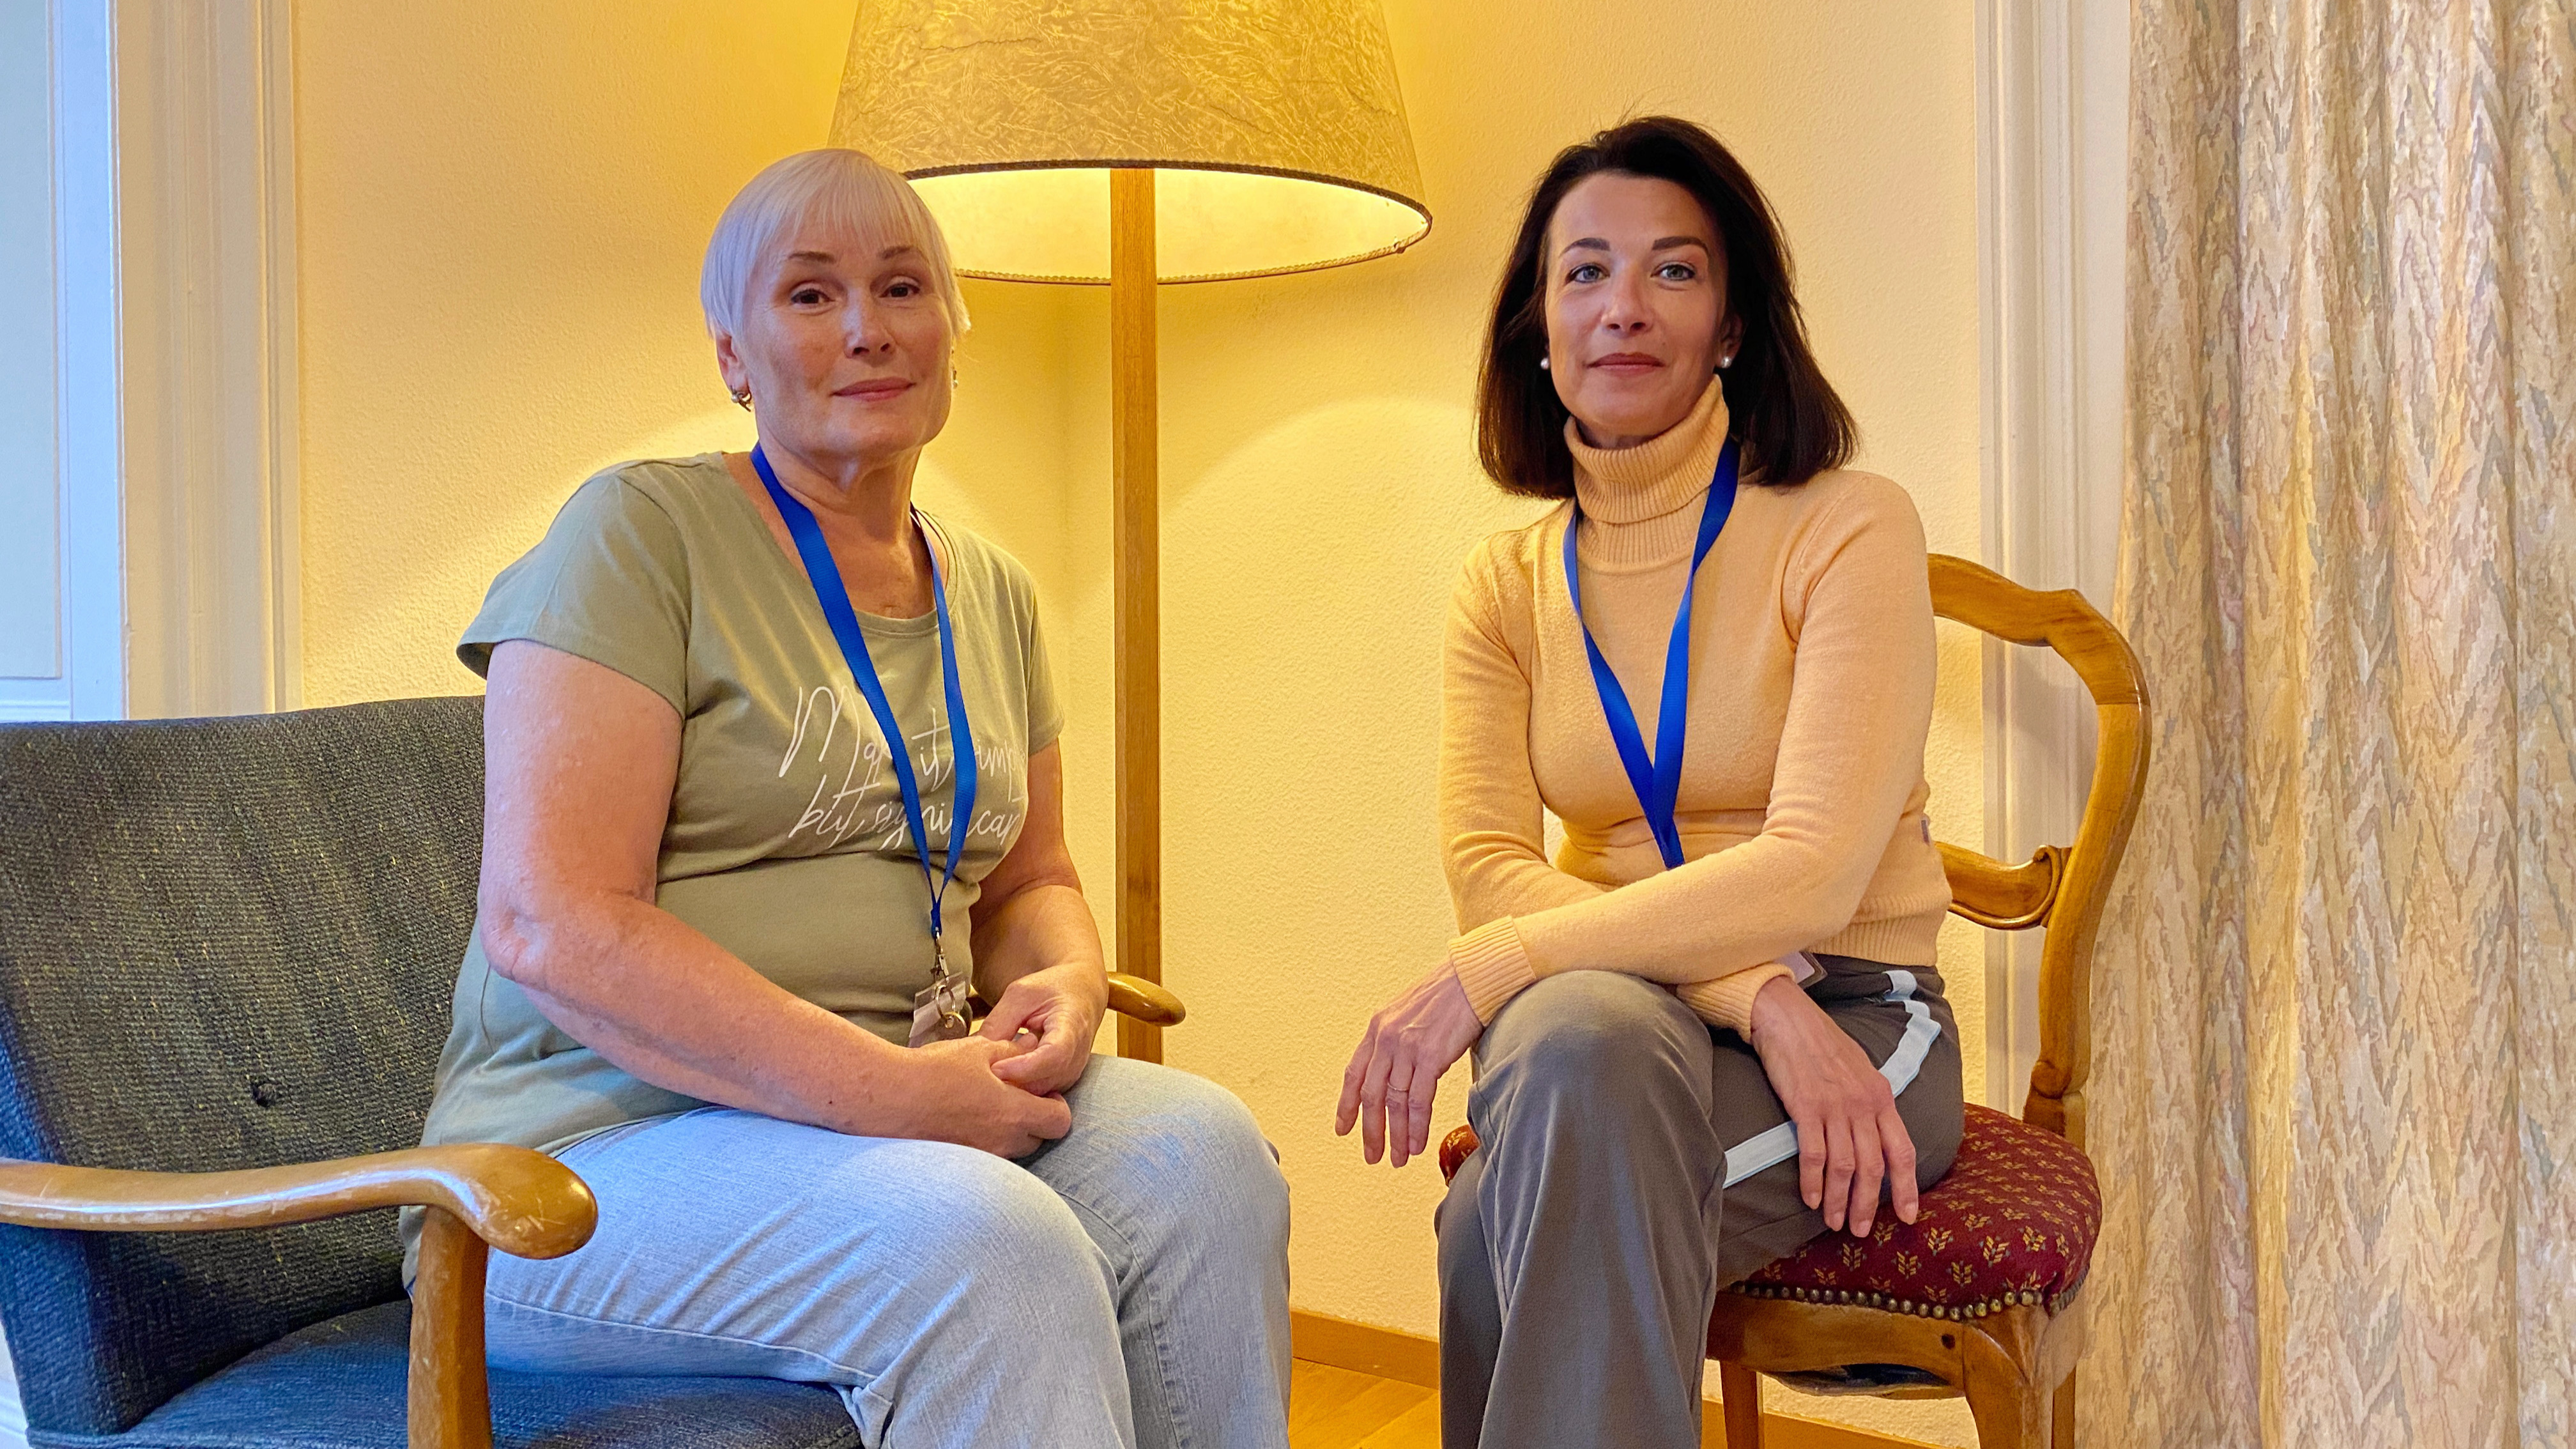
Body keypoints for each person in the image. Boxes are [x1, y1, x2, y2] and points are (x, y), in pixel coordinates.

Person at [408, 148, 1290, 1449]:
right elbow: (553, 927)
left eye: (902, 287)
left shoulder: (991, 592)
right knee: (989, 1243)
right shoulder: (636, 539)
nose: (869, 328)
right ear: (733, 354)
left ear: (953, 332)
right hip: (580, 1168)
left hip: (888, 1120)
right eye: (811, 296)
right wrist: (897, 1097)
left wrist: (1071, 978)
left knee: (1201, 1154)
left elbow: (1032, 880)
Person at [1336, 116, 1965, 1448]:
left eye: (1674, 272)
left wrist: (1483, 970)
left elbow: (1817, 868)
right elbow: (1487, 868)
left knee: (1494, 1214)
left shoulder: (1851, 526)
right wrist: (1749, 996)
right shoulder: (1503, 587)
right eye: (1585, 273)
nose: (1623, 308)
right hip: (1642, 1008)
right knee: (1572, 1040)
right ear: (1537, 325)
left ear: (1733, 325)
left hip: (1857, 1015)